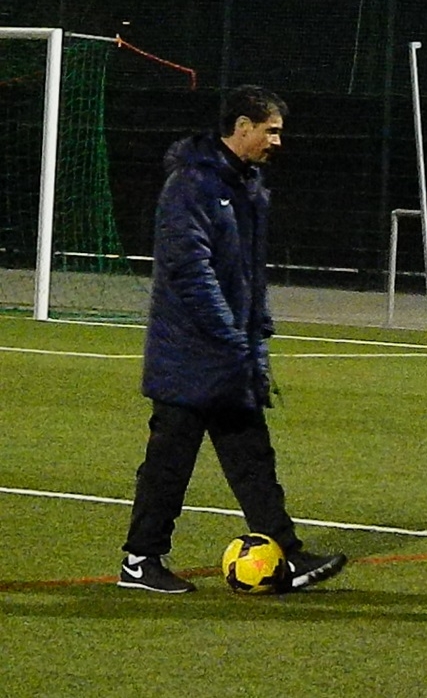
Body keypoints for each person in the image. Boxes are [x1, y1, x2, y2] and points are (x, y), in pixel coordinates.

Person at [118, 85, 347, 594]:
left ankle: (287, 554)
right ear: (242, 127)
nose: (277, 142)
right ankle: (140, 561)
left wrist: (256, 331)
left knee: (253, 458)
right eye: (271, 131)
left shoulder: (249, 187)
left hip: (229, 355)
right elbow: (188, 268)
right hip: (188, 353)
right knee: (169, 463)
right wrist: (229, 334)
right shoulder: (192, 184)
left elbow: (248, 272)